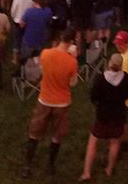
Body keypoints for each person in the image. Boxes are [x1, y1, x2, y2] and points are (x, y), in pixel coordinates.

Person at [22, 28, 79, 179]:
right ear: (72, 42)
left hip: (45, 100)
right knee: (57, 135)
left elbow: (42, 70)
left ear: (60, 39)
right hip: (62, 103)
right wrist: (73, 57)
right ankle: (50, 166)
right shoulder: (72, 62)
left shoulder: (45, 54)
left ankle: (27, 165)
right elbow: (72, 83)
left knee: (35, 133)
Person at [80, 53, 128, 181]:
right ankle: (109, 169)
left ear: (110, 63)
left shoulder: (101, 78)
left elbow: (93, 96)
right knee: (115, 142)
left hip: (103, 115)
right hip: (118, 115)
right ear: (120, 65)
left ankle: (87, 173)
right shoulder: (125, 78)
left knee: (93, 141)